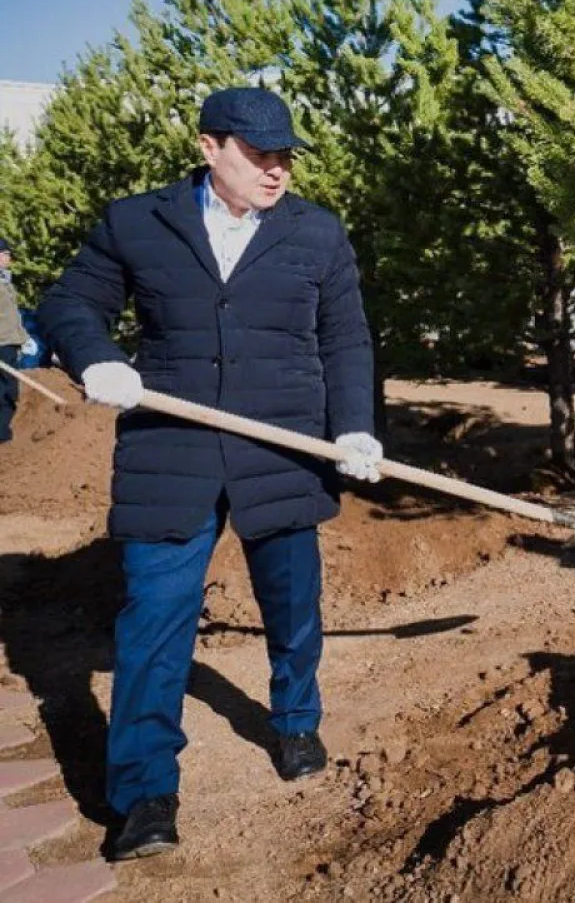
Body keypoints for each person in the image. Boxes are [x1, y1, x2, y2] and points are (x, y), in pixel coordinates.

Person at [38, 87, 384, 860]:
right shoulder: (138, 221)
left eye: (286, 156)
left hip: (284, 448)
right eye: (260, 154)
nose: (276, 170)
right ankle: (144, 794)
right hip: (173, 448)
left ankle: (295, 722)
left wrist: (355, 425)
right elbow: (69, 303)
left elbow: (347, 339)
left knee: (293, 609)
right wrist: (95, 357)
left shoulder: (316, 233)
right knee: (155, 623)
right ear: (209, 148)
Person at [0, 238, 24, 443]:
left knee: (11, 390)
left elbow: (12, 314)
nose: (9, 258)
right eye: (6, 254)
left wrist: (22, 338)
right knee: (6, 390)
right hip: (1, 343)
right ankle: (2, 434)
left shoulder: (5, 281)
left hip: (9, 342)